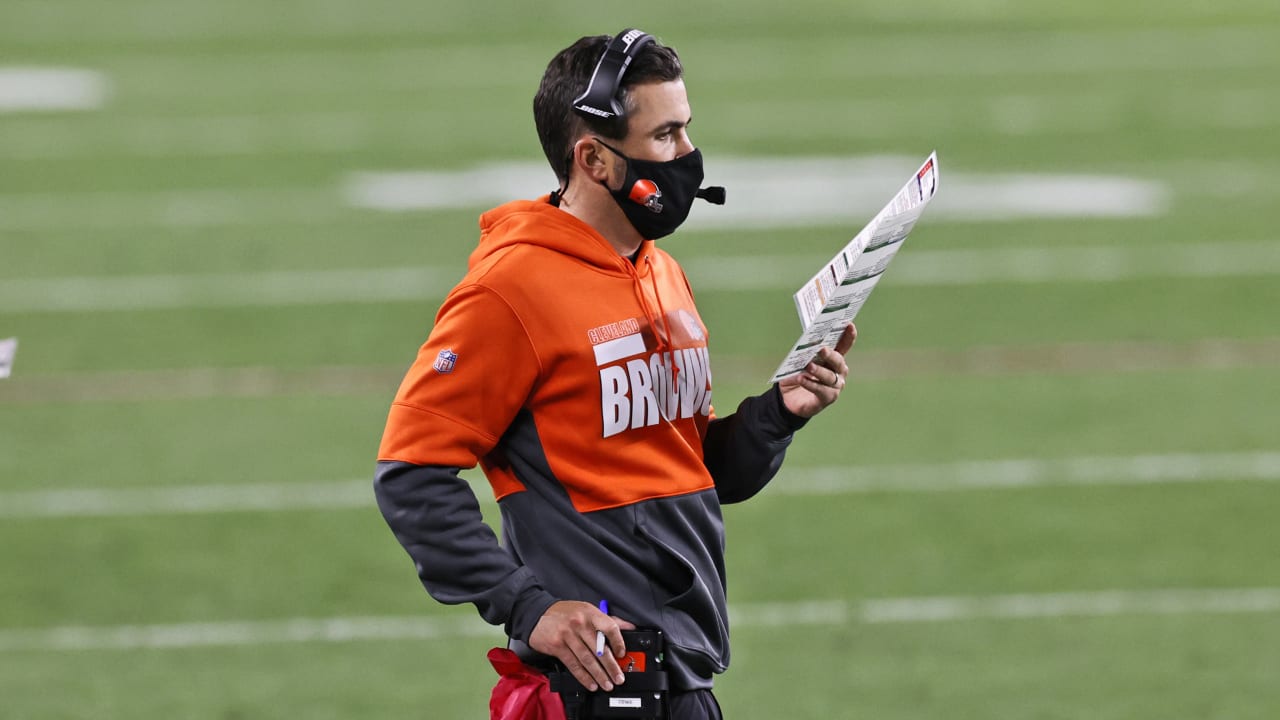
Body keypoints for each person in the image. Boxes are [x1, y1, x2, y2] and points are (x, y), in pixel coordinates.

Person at [373, 28, 856, 720]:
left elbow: (692, 471)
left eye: (687, 130)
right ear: (594, 159)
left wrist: (779, 414)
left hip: (684, 677)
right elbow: (410, 473)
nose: (688, 155)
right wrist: (527, 606)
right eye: (666, 136)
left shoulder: (661, 271)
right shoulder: (511, 289)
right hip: (598, 690)